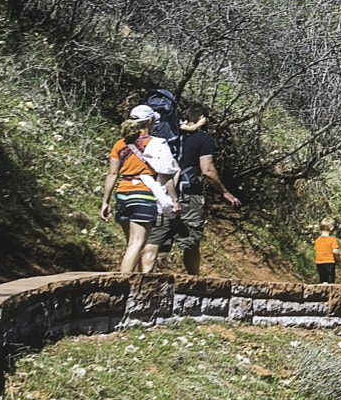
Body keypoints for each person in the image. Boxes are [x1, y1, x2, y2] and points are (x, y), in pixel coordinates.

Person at [146, 107, 241, 276]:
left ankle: (141, 280)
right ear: (201, 118)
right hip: (188, 193)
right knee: (191, 242)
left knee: (153, 240)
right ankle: (194, 281)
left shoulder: (167, 135)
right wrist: (225, 192)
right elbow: (208, 171)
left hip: (161, 193)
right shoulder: (203, 139)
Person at [99, 112, 173, 274]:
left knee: (132, 244)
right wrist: (174, 199)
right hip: (143, 192)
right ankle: (123, 285)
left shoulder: (120, 144)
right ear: (150, 120)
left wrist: (105, 201)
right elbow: (166, 173)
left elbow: (112, 174)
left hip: (123, 193)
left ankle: (136, 284)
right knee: (137, 242)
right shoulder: (155, 143)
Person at [314, 219, 340, 284]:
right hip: (329, 261)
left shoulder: (317, 240)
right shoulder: (332, 239)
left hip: (319, 262)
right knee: (330, 280)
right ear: (331, 228)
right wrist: (339, 258)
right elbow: (335, 251)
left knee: (322, 279)